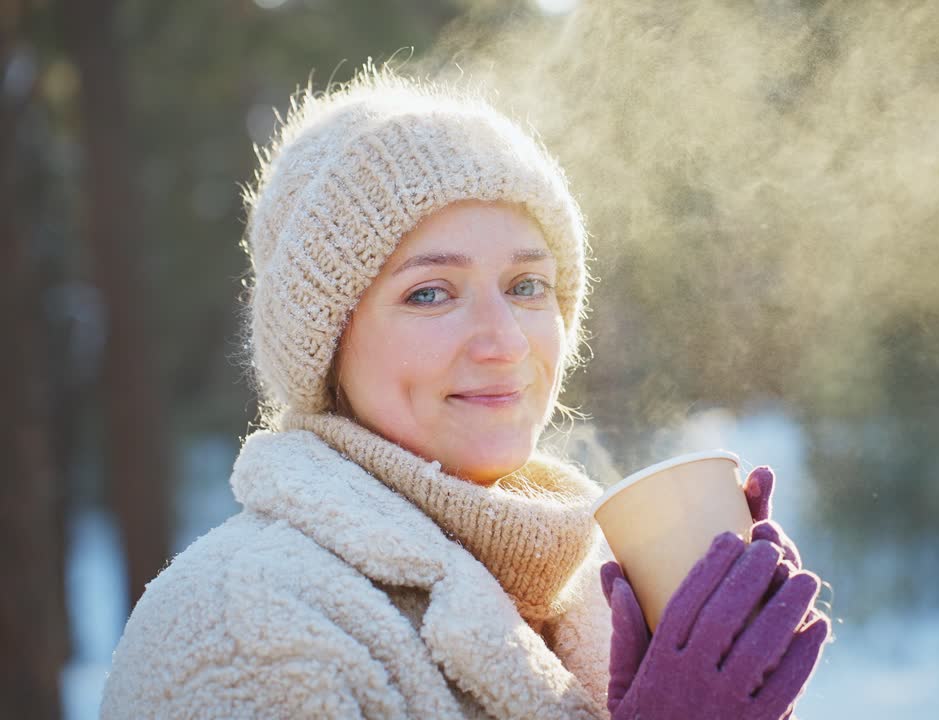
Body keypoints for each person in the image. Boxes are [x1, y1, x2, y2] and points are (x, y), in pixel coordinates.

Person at [100, 65, 829, 719]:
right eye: (429, 293)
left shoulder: (585, 601)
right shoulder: (244, 632)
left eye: (526, 286)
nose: (505, 339)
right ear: (325, 345)